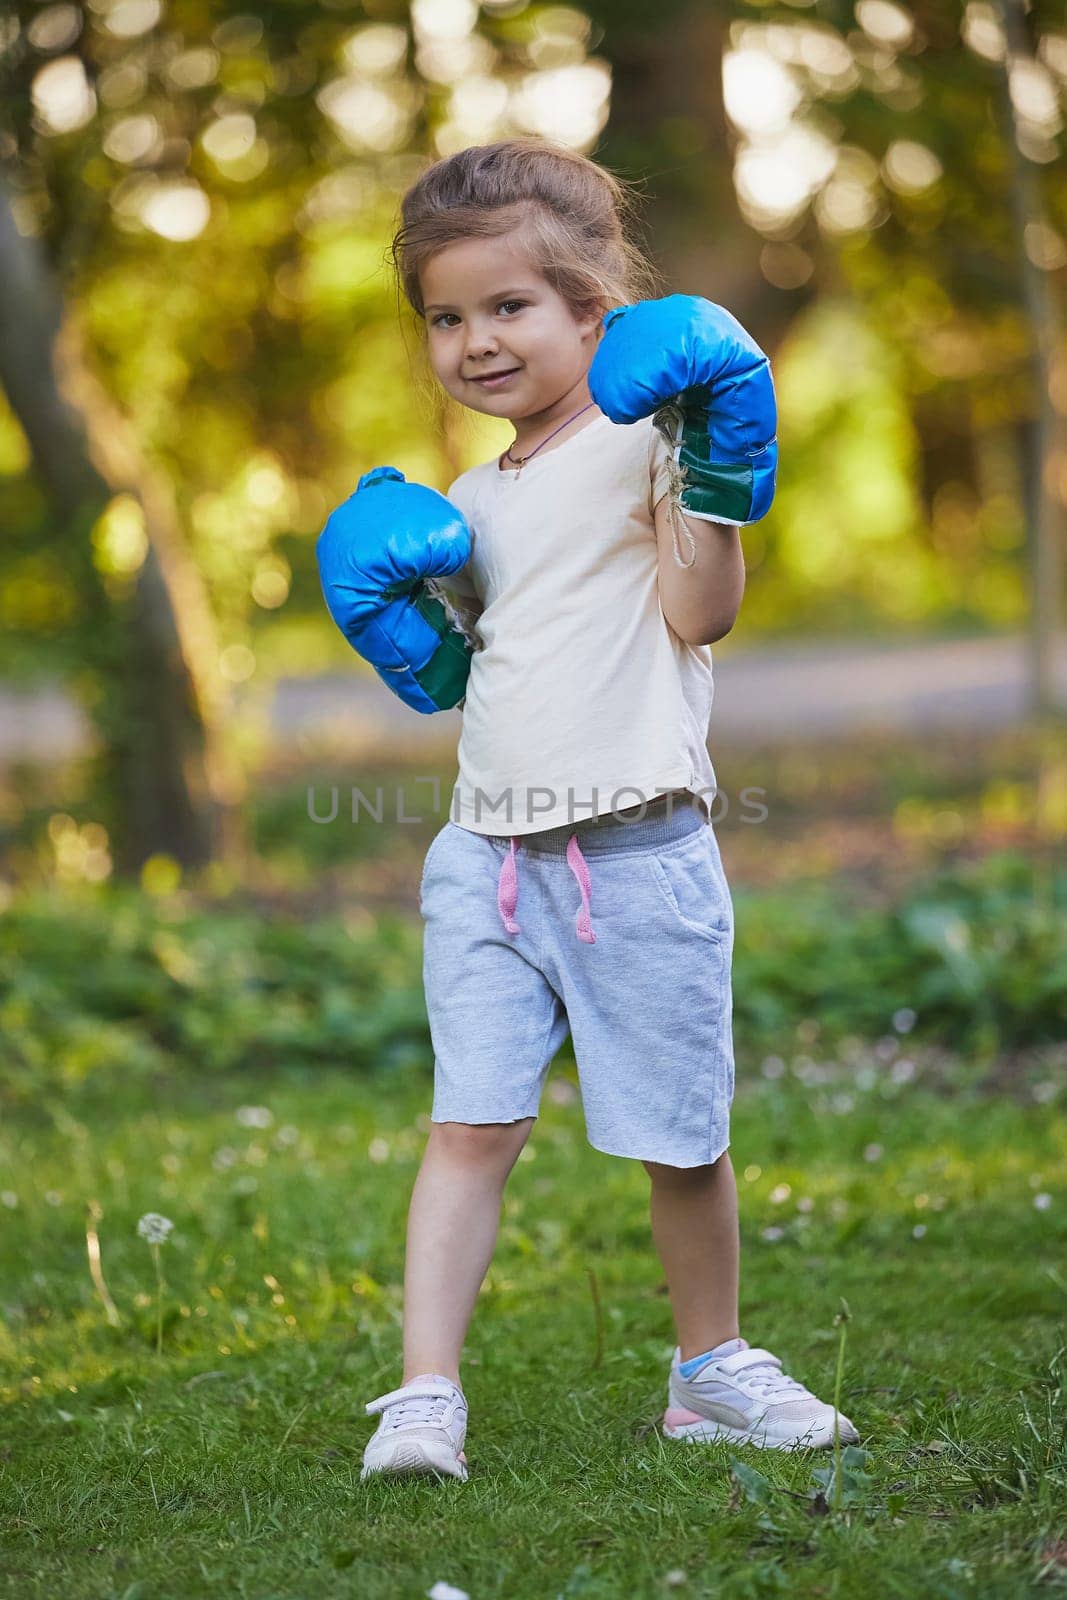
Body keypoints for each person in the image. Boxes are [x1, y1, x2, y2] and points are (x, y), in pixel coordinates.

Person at [358, 137, 859, 1483]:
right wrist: (397, 614)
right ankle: (424, 1395)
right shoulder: (464, 501)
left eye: (508, 307)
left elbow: (703, 612)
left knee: (679, 1140)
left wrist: (714, 455)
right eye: (446, 318)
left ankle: (709, 1369)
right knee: (470, 1125)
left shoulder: (653, 435)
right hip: (487, 862)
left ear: (596, 309)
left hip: (638, 860)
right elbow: (464, 676)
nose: (473, 342)